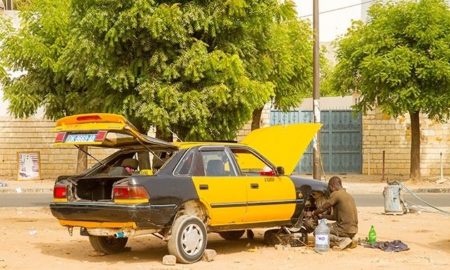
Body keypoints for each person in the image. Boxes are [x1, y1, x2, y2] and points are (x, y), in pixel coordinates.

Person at [310, 176, 358, 250]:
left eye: (329, 189)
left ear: (331, 186)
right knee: (328, 227)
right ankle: (351, 238)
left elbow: (323, 208)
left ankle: (342, 240)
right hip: (353, 229)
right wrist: (322, 216)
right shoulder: (348, 195)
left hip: (344, 229)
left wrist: (313, 213)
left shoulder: (336, 194)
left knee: (317, 232)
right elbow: (335, 217)